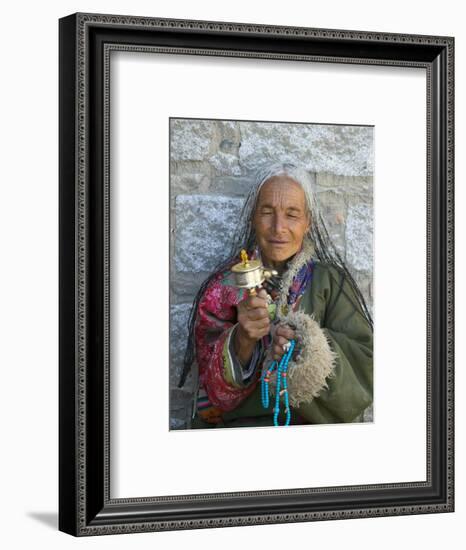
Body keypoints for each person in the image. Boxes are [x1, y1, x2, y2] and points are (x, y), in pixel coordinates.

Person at [178, 163, 373, 428]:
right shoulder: (222, 288)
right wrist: (242, 340)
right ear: (253, 218)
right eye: (267, 212)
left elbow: (366, 366)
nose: (278, 227)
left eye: (292, 214)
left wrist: (305, 344)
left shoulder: (331, 283)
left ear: (307, 223)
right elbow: (211, 390)